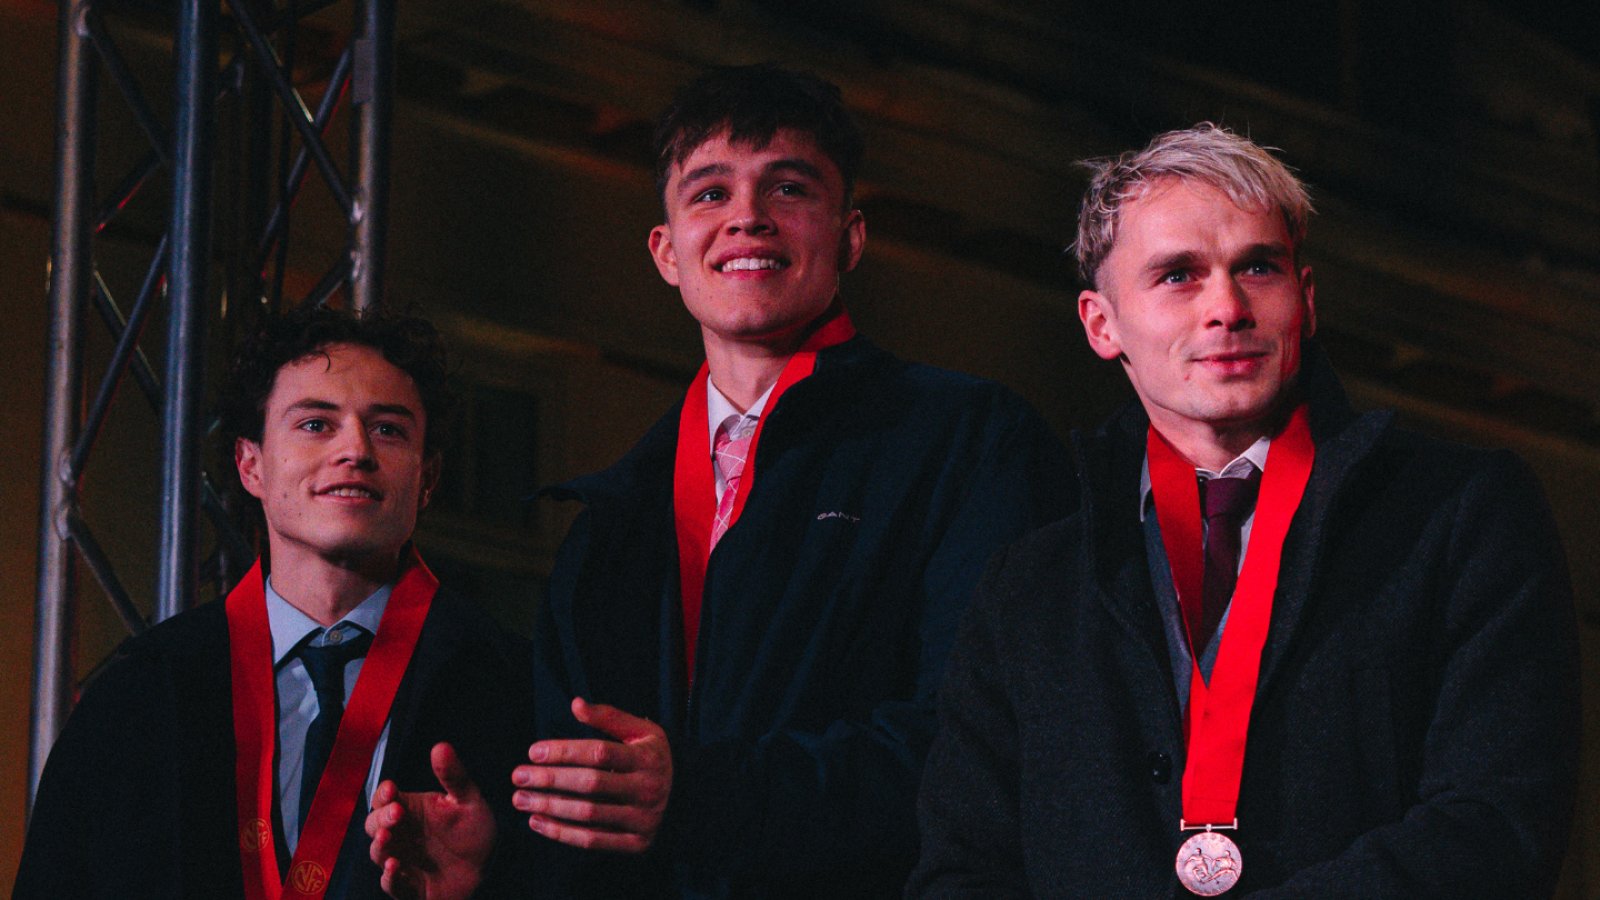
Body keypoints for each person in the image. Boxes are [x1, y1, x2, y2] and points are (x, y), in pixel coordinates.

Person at [366, 64, 1073, 898]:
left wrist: (703, 797)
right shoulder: (609, 519)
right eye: (709, 193)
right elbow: (594, 823)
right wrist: (499, 866)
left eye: (789, 188)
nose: (747, 216)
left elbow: (988, 743)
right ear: (666, 252)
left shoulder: (968, 441)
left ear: (850, 237)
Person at [907, 123, 1581, 897]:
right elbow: (963, 869)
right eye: (1178, 276)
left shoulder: (1460, 514)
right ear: (1101, 324)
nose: (1227, 307)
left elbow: (1498, 823)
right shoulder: (1028, 589)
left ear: (1307, 300)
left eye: (1258, 267)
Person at [14, 305, 532, 900]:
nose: (356, 449)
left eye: (388, 429)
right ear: (250, 465)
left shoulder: (514, 691)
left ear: (428, 478)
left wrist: (487, 884)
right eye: (315, 424)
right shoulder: (142, 694)